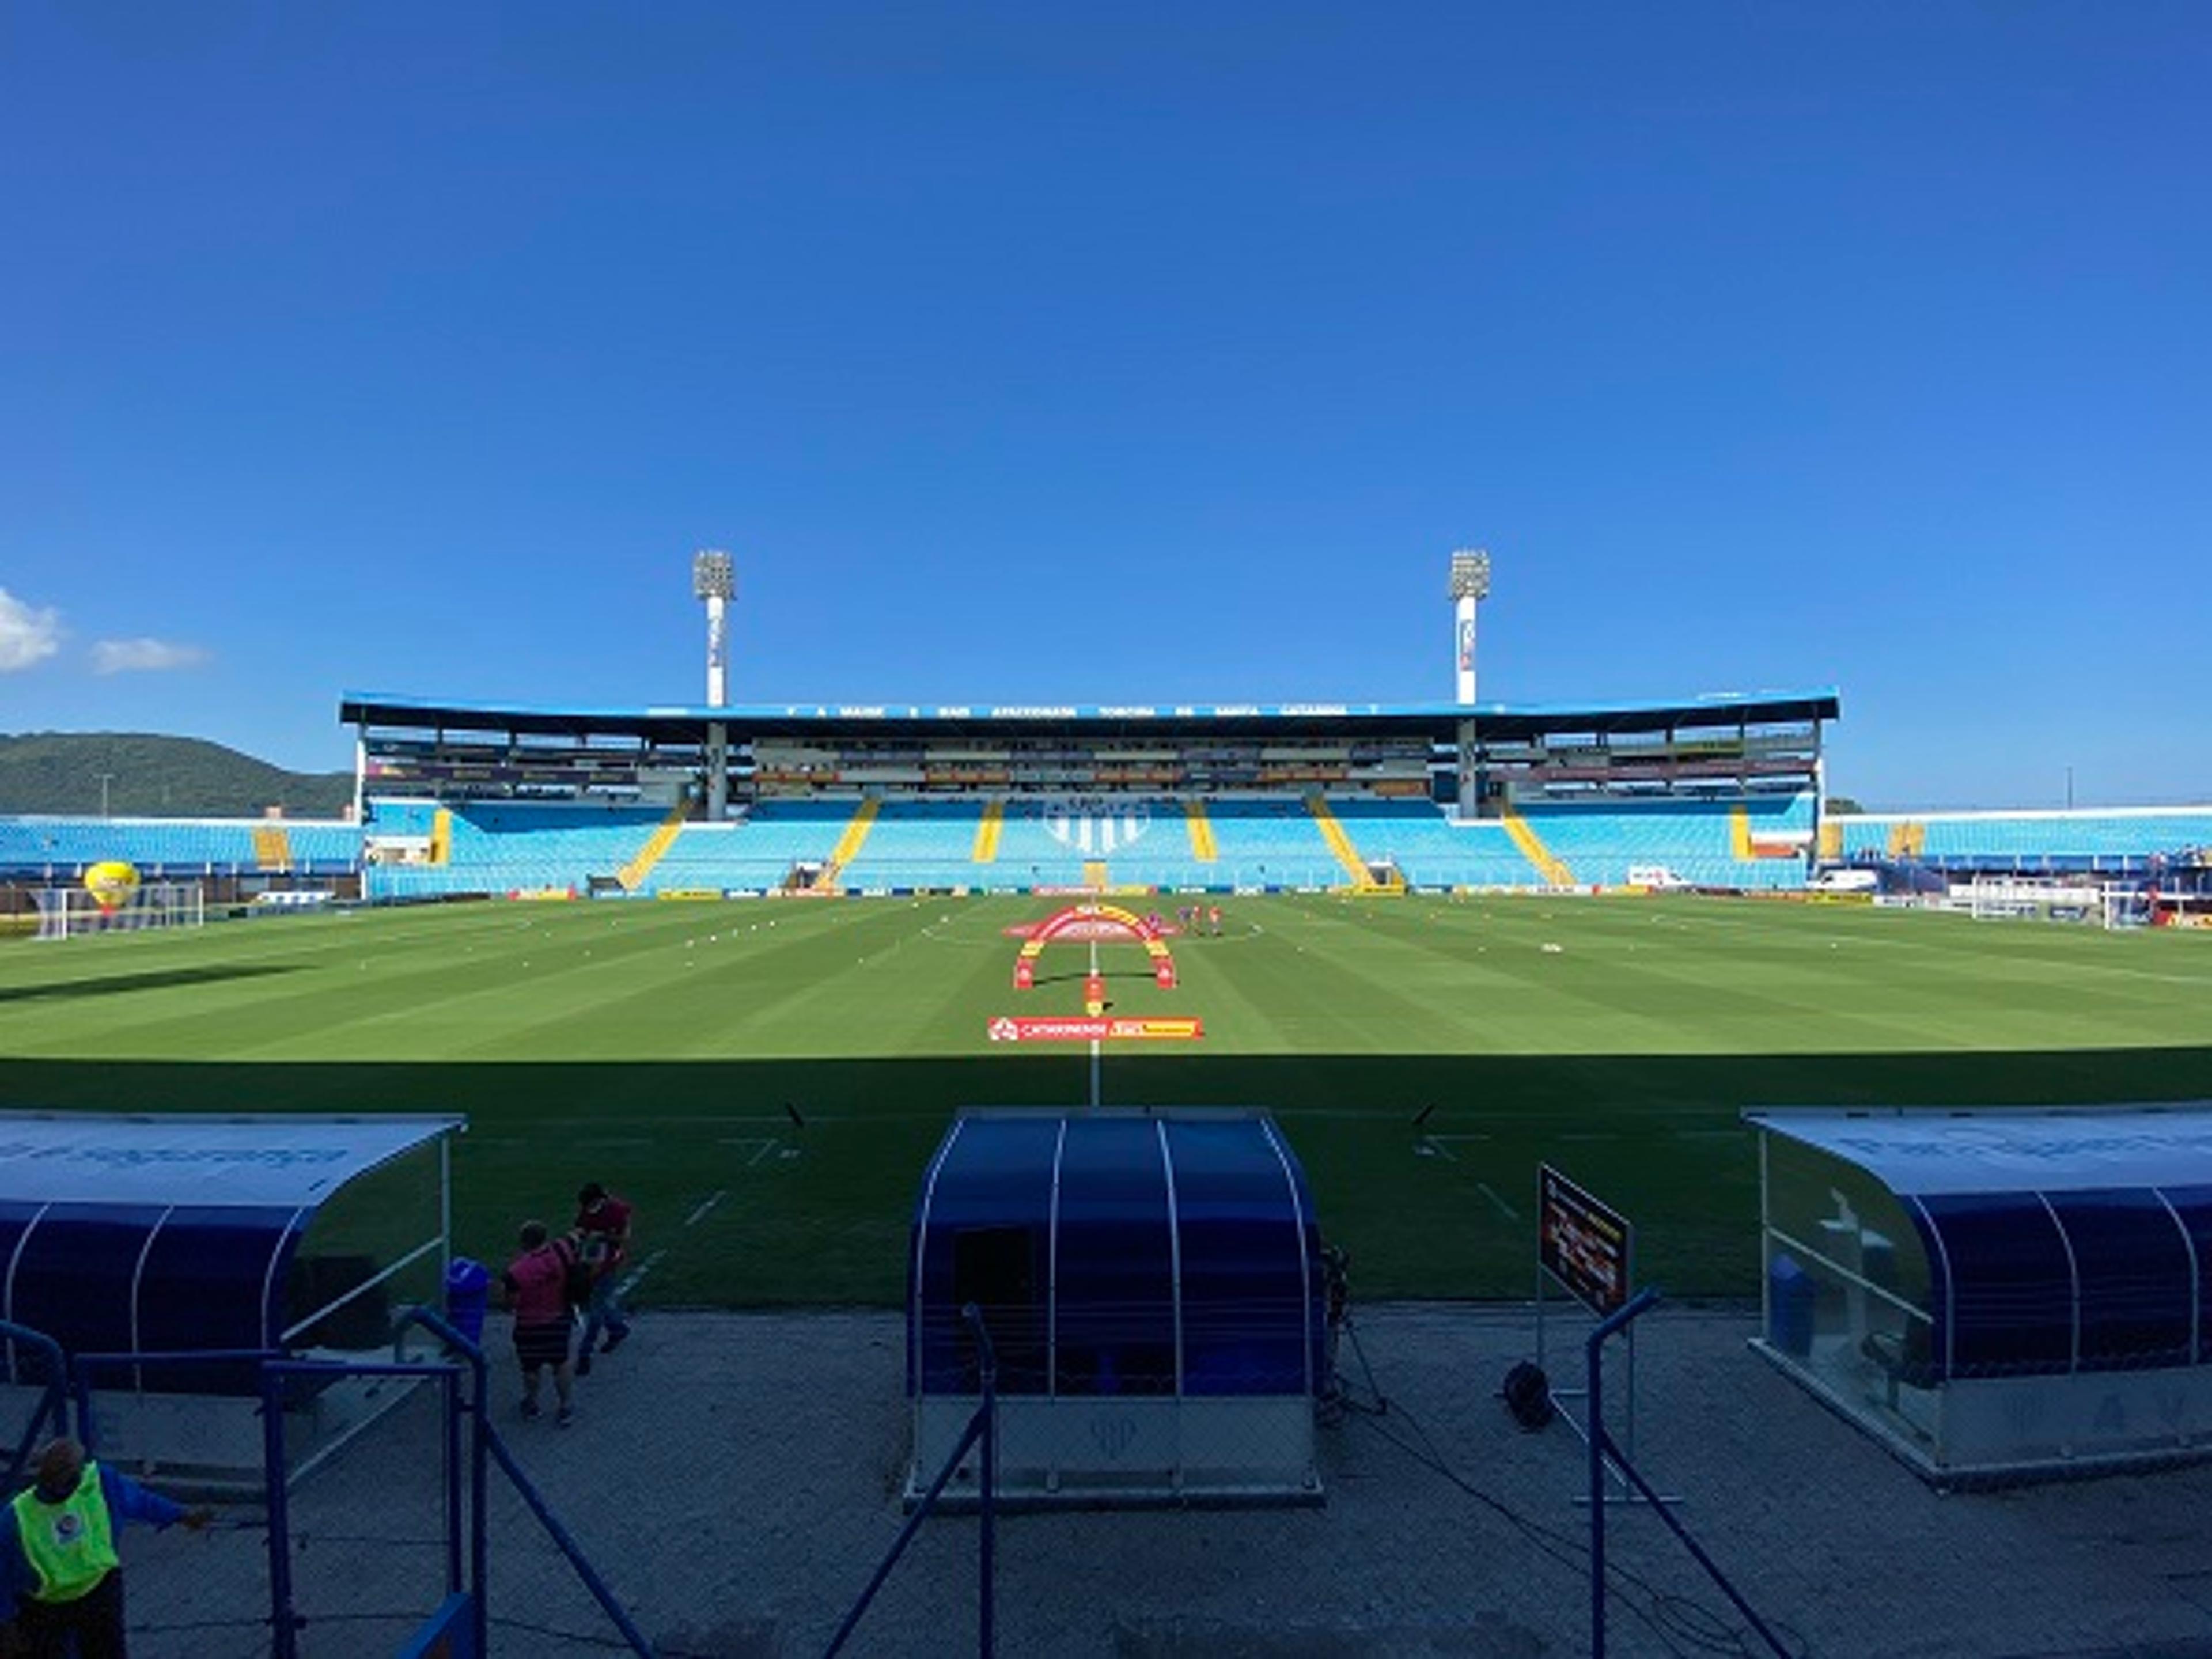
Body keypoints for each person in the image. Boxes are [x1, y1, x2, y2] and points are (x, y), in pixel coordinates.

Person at [0, 1436, 213, 1659]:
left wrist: (180, 1515)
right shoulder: (18, 1517)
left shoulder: (100, 1483)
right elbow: (3, 1574)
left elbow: (141, 1501)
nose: (60, 1483)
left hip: (95, 1592)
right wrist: (5, 1623)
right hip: (50, 1607)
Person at [501, 1221, 578, 1426]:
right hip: (558, 1319)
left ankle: (532, 1404)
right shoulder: (562, 1253)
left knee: (531, 1369)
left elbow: (511, 1304)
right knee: (561, 1364)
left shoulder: (516, 1272)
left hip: (529, 1325)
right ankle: (565, 1406)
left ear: (523, 1242)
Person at [573, 1181, 634, 1376]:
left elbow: (625, 1238)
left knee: (595, 1310)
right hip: (590, 1259)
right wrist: (580, 1236)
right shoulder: (586, 1209)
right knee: (603, 1304)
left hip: (608, 1261)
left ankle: (585, 1353)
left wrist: (604, 1237)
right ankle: (618, 1329)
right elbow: (580, 1229)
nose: (588, 1210)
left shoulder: (617, 1210)